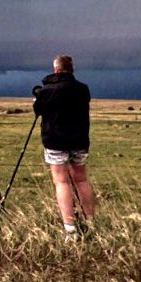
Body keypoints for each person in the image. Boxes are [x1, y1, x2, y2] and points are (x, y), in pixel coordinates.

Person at [33, 55, 96, 237]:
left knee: (61, 181)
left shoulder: (47, 91)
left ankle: (70, 228)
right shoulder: (83, 89)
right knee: (81, 179)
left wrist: (39, 97)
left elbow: (39, 111)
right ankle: (90, 223)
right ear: (72, 69)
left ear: (56, 70)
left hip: (55, 142)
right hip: (80, 141)